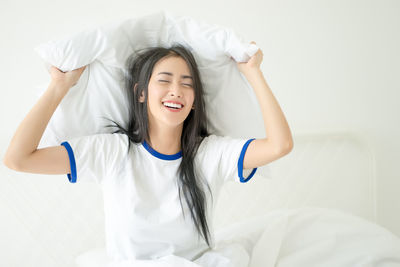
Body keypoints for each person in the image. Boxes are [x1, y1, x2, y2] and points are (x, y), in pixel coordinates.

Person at [3, 42, 293, 266]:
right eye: (164, 80)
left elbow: (280, 145)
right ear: (141, 93)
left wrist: (253, 73)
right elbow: (18, 159)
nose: (176, 91)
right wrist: (59, 86)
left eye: (187, 84)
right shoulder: (112, 151)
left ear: (194, 102)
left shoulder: (210, 154)